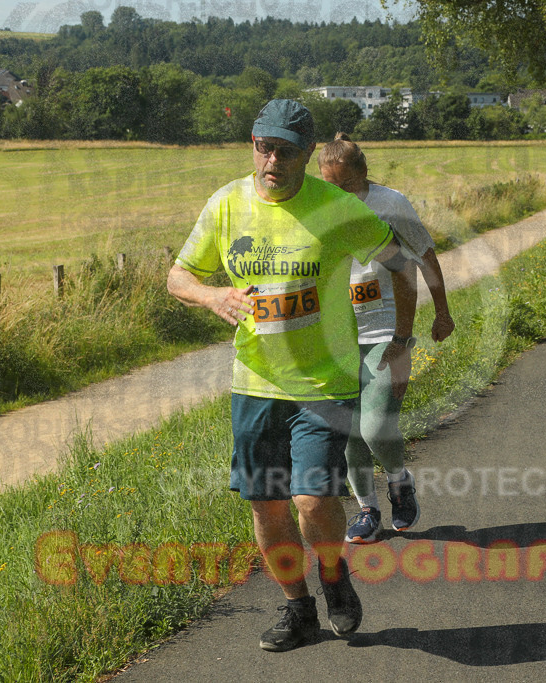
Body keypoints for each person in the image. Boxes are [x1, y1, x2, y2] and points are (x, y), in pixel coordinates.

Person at [167, 99, 415, 653]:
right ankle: (298, 609)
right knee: (267, 504)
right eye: (264, 148)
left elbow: (401, 265)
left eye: (285, 151)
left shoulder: (335, 206)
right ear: (252, 144)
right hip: (255, 383)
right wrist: (212, 295)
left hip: (324, 382)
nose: (272, 161)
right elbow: (177, 277)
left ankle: (333, 574)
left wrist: (400, 340)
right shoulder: (227, 203)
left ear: (307, 154)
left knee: (310, 498)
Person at [317, 133, 455, 544]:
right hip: (339, 333)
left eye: (347, 184)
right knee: (349, 432)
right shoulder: (318, 207)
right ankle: (368, 510)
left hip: (387, 329)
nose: (340, 193)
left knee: (376, 427)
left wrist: (442, 312)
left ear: (364, 173)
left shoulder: (391, 203)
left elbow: (424, 255)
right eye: (331, 185)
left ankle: (399, 480)